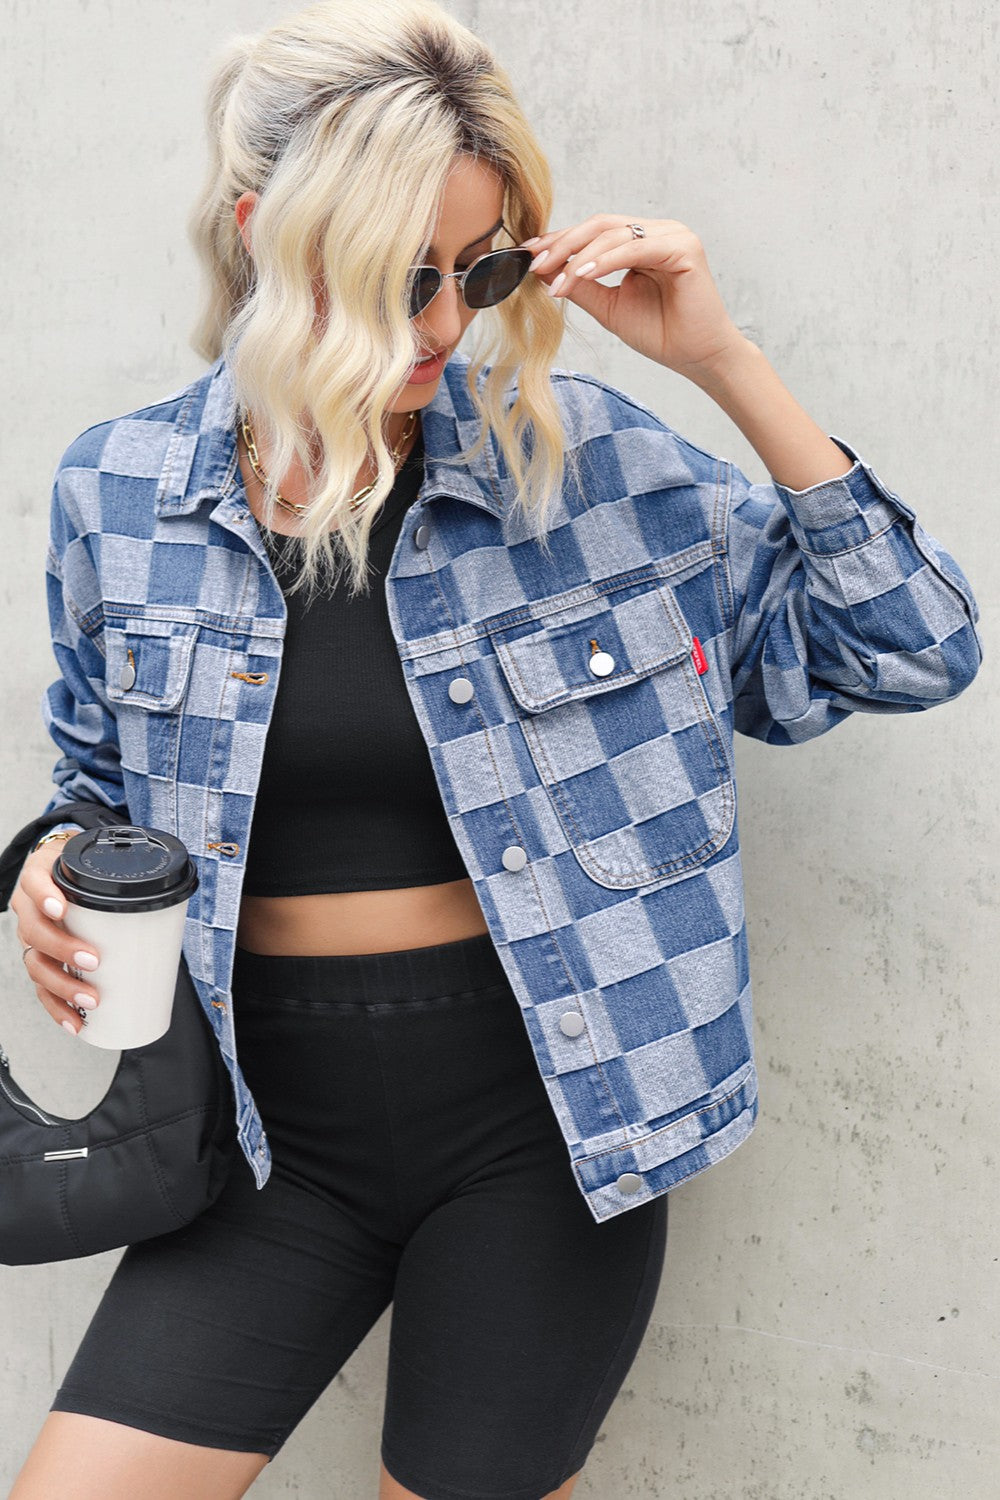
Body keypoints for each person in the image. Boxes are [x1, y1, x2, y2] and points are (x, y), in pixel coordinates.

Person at [7, 1, 982, 1497]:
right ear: (267, 234)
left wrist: (723, 360)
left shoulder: (582, 468)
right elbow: (94, 785)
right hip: (259, 1137)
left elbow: (908, 645)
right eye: (401, 278)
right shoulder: (120, 491)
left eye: (484, 270)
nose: (448, 325)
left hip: (547, 1126)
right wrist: (51, 866)